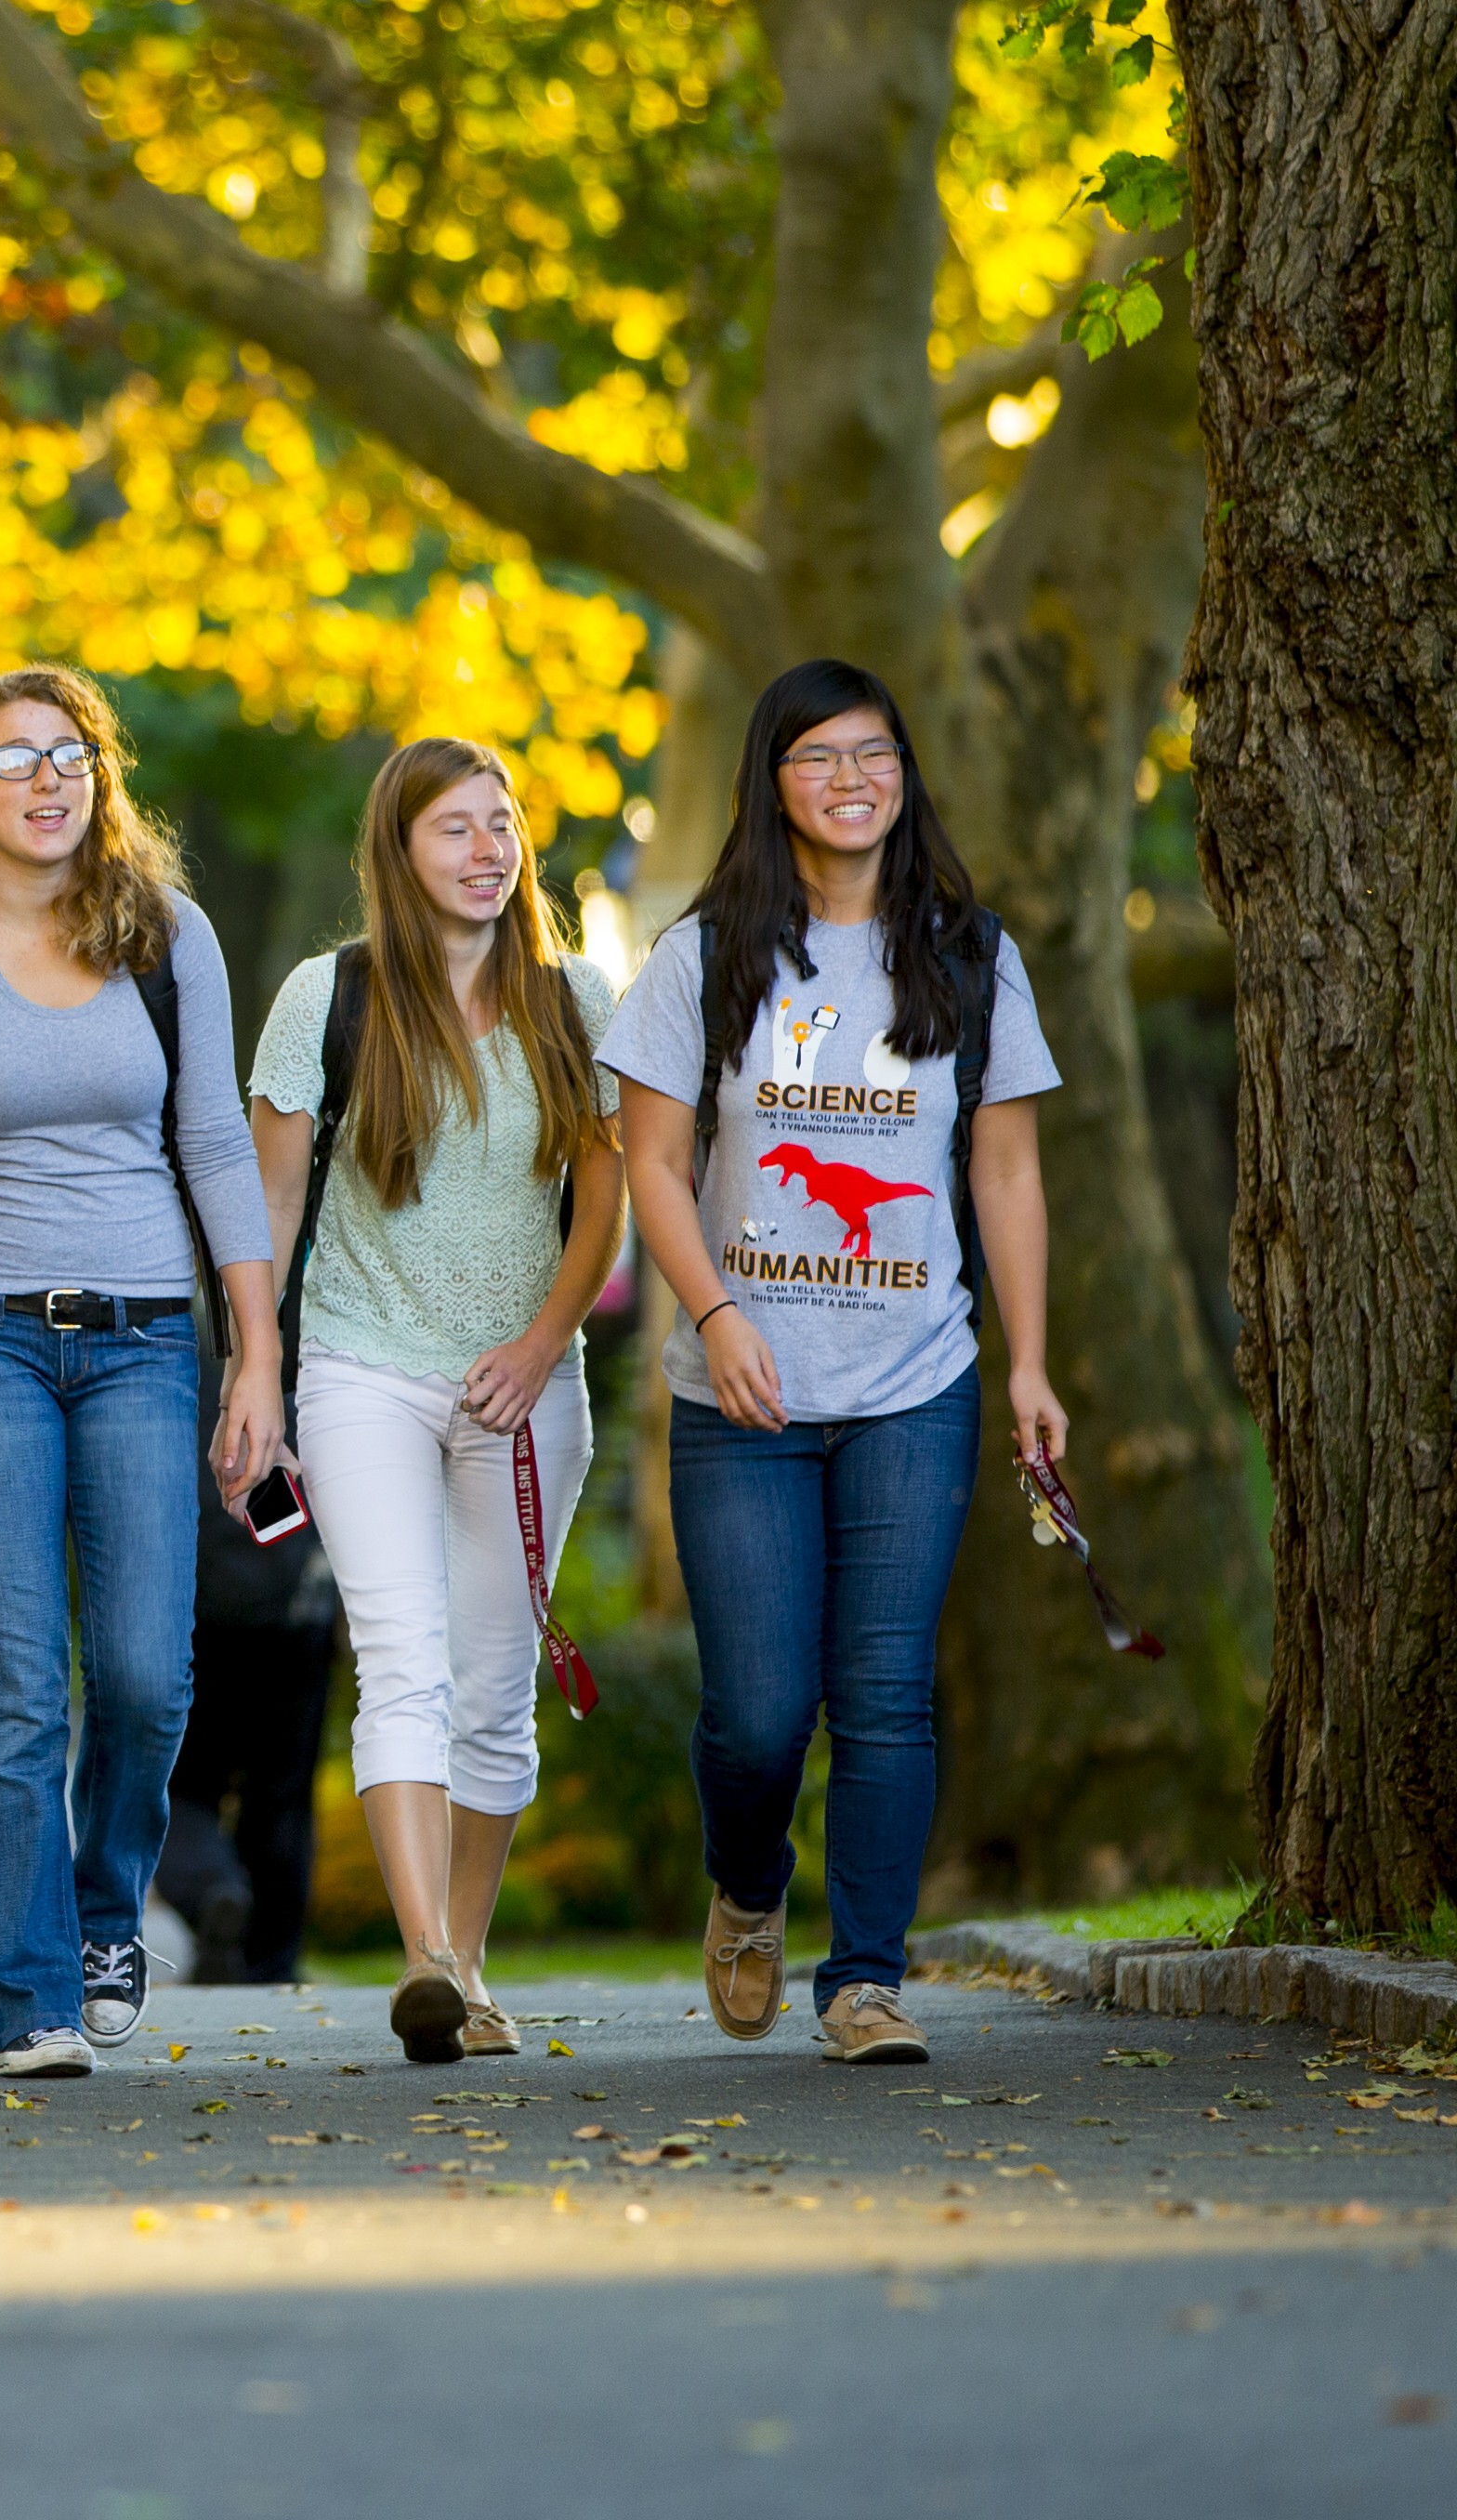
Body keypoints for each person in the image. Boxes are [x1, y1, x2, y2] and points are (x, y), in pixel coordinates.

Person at [599, 660, 1064, 2069]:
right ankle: (749, 1887)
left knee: (883, 1688)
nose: (851, 778)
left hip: (914, 1382)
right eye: (818, 757)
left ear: (904, 774)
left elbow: (1005, 1171)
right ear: (773, 782)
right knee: (755, 1714)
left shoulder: (969, 955)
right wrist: (719, 1311)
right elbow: (654, 1162)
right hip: (743, 1393)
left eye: (874, 752)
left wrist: (1031, 1366)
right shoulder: (704, 957)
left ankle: (864, 1978)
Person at [0, 667, 280, 2080]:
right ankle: (29, 1995)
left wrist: (255, 1357)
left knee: (147, 1675)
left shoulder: (169, 937)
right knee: (23, 1683)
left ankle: (106, 1912)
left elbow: (216, 1145)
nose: (45, 778)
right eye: (12, 757)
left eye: (68, 754)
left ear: (100, 777)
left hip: (151, 1335)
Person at [245, 735, 627, 2064]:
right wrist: (256, 1370)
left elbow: (603, 1208)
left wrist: (538, 1346)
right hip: (363, 1371)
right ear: (400, 852)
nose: (486, 849)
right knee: (401, 1657)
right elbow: (272, 1207)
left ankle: (466, 1962)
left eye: (502, 823)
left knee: (495, 1689)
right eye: (454, 828)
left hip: (529, 1387)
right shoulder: (328, 997)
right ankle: (425, 1960)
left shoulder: (575, 999)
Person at [150, 1484, 341, 1985]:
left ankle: (212, 1890)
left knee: (180, 1786)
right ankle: (270, 1960)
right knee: (282, 1796)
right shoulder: (298, 1403)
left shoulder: (181, 1406)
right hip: (298, 1609)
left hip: (199, 1612)